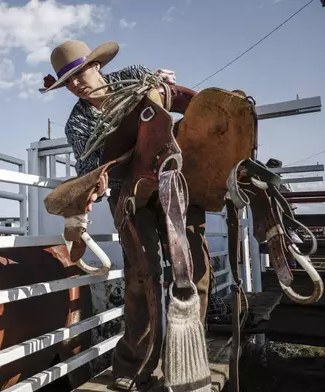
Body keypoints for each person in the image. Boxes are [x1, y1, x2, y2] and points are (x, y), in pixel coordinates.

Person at [40, 40, 210, 391]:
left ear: (97, 66)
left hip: (170, 178)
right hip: (127, 195)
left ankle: (189, 353)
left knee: (194, 265)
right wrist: (98, 181)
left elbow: (175, 100)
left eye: (79, 74)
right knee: (140, 277)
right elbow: (90, 167)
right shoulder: (78, 124)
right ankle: (135, 362)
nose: (76, 85)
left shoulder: (135, 77)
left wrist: (164, 86)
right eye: (68, 82)